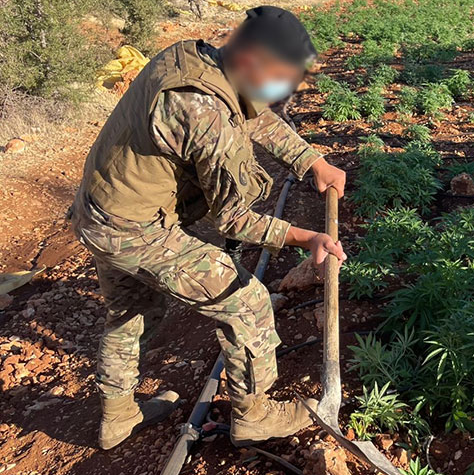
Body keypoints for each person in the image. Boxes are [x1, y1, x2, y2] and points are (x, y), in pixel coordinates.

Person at [68, 6, 347, 450]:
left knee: (132, 309)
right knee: (247, 303)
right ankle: (254, 415)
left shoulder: (194, 58)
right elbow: (233, 219)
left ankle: (117, 417)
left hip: (99, 208)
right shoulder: (206, 116)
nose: (283, 90)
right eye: (280, 78)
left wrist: (311, 160)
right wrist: (305, 237)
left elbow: (249, 110)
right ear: (250, 61)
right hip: (134, 230)